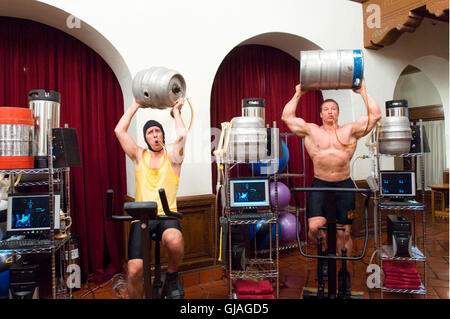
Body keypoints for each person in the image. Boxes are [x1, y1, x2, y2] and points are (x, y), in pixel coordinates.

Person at [281, 80, 381, 286]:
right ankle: (325, 259)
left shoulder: (350, 130)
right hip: (320, 184)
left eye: (333, 109)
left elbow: (376, 115)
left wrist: (363, 91)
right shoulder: (310, 130)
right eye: (326, 109)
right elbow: (286, 117)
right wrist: (298, 93)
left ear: (338, 113)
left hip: (344, 184)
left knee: (344, 232)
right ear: (320, 114)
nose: (330, 112)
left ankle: (344, 269)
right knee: (315, 227)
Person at [114, 97, 188, 299]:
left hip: (167, 215)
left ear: (162, 136)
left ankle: (172, 275)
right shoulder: (139, 156)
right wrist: (135, 105)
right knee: (135, 270)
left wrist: (176, 110)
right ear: (146, 138)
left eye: (157, 131)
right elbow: (119, 131)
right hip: (142, 218)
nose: (154, 135)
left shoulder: (173, 157)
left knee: (173, 240)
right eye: (150, 132)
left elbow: (182, 133)